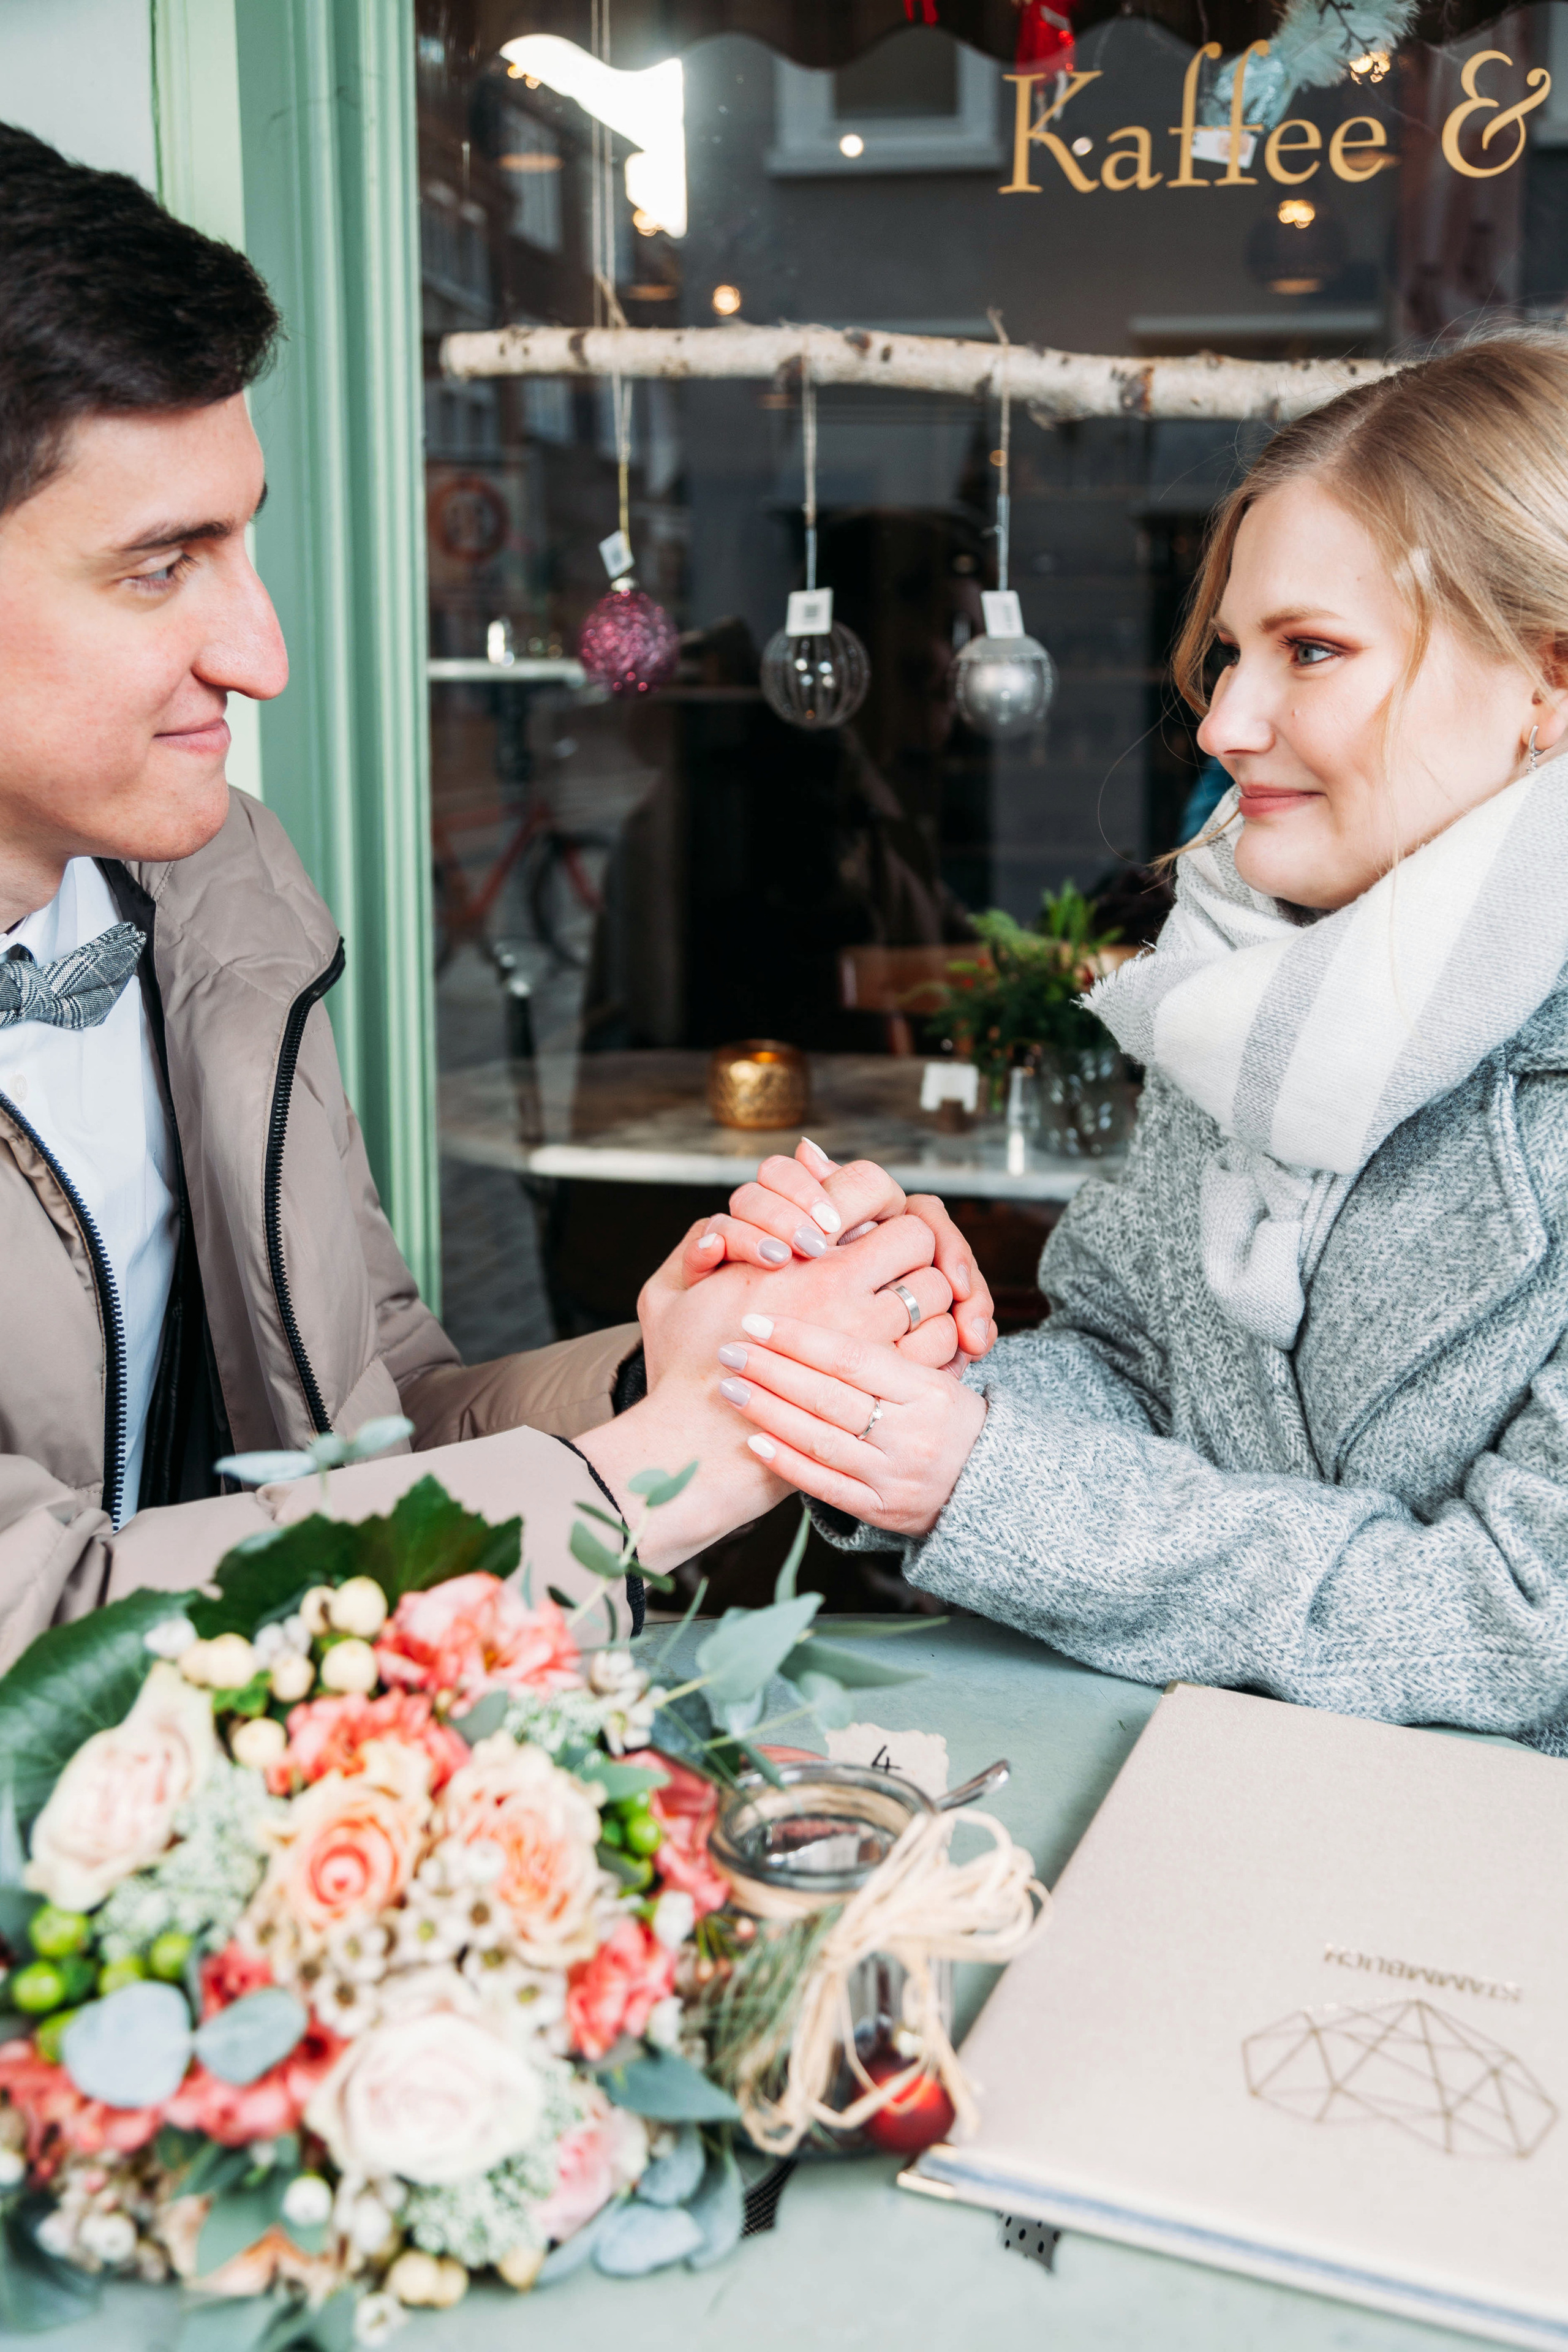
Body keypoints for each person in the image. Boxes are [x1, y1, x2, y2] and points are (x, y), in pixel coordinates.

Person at [0, 124, 995, 1664]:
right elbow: (35, 1632)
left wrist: (686, 1376)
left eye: (240, 541)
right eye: (158, 567)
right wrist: (654, 1479)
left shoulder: (216, 882)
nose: (258, 655)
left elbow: (371, 1410)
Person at [700, 334, 1568, 1756]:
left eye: (1309, 651)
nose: (1224, 721)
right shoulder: (1254, 991)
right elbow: (1122, 1361)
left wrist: (975, 1482)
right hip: (1193, 1822)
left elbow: (1512, 1625)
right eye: (1228, 652)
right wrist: (889, 1371)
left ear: (1542, 681)